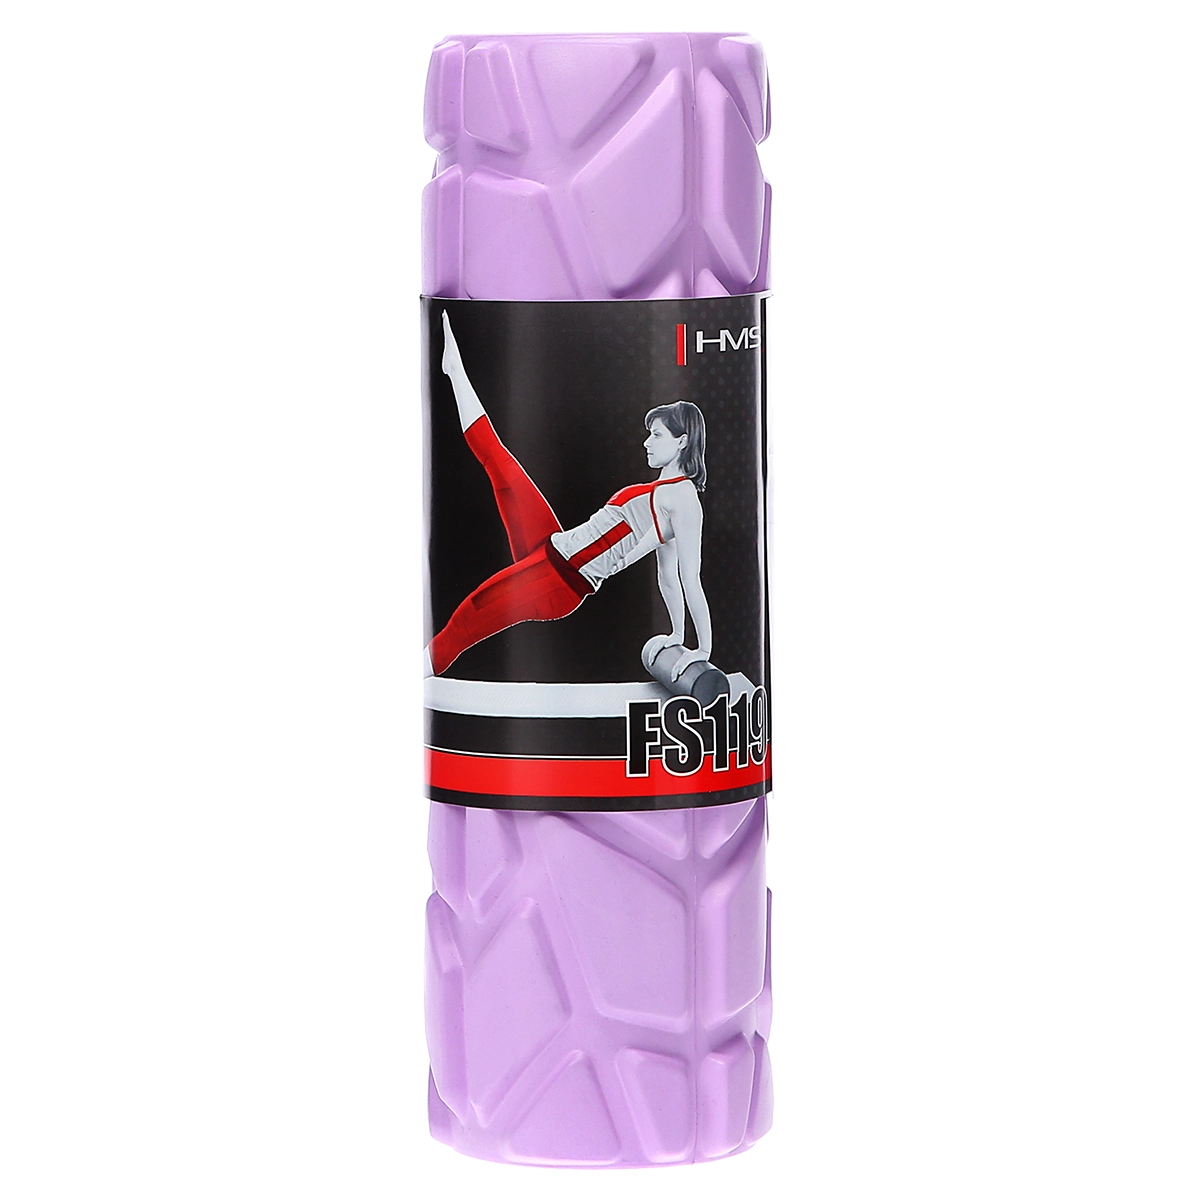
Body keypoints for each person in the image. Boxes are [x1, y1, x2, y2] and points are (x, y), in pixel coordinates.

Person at [426, 311, 712, 680]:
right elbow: (666, 576)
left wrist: (702, 649)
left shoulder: (684, 500)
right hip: (551, 544)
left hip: (559, 578)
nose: (646, 442)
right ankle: (455, 370)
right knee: (499, 463)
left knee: (469, 616)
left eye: (656, 435)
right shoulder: (662, 490)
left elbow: (690, 577)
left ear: (683, 441)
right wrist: (676, 634)